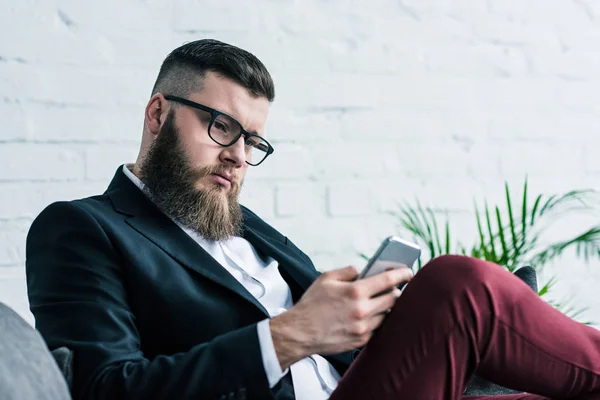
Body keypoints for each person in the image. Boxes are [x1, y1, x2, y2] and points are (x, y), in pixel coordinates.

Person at [25, 39, 600, 400]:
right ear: (158, 114)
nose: (236, 155)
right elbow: (106, 388)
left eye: (252, 141)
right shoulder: (83, 230)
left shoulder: (245, 227)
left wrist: (371, 318)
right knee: (458, 286)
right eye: (220, 127)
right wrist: (292, 334)